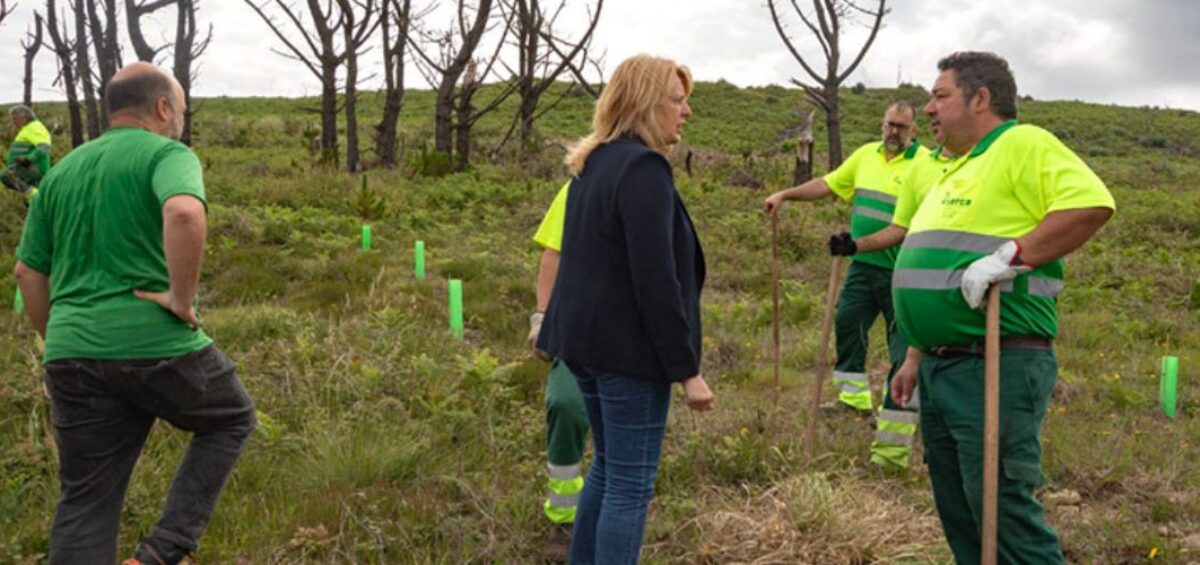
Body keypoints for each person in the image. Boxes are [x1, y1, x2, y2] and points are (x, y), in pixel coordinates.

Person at [14, 62, 256, 565]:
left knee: (85, 500)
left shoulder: (60, 174)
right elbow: (185, 213)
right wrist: (181, 300)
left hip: (71, 352)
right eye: (182, 109)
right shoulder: (168, 154)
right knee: (230, 417)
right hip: (158, 345)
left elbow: (27, 273)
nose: (182, 119)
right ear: (163, 107)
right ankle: (164, 553)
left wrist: (59, 339)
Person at [889, 51, 1114, 563]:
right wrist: (915, 354)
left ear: (981, 98)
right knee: (960, 510)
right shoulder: (957, 166)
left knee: (1001, 510)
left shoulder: (1021, 143)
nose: (928, 109)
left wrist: (1013, 255)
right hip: (942, 365)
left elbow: (1090, 202)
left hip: (995, 361)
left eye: (940, 96)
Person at [537, 54, 714, 564]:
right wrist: (688, 372)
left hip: (588, 349)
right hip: (627, 355)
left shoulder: (595, 163)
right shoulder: (642, 169)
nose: (686, 113)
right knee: (630, 487)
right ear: (644, 103)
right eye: (677, 101)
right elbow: (656, 282)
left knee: (609, 470)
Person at [763, 102, 930, 469]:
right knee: (846, 323)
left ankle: (893, 440)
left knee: (903, 349)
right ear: (881, 123)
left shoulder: (925, 164)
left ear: (915, 130)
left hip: (905, 272)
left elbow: (906, 227)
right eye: (889, 124)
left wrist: (856, 244)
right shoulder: (866, 156)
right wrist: (786, 195)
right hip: (862, 268)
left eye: (902, 127)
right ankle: (852, 400)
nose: (894, 132)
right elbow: (828, 183)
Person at [527, 180, 591, 560]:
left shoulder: (652, 181)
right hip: (577, 323)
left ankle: (611, 509)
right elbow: (554, 252)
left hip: (629, 330)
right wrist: (543, 316)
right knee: (565, 404)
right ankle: (565, 517)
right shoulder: (579, 186)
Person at [2, 104, 53, 195]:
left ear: (24, 117)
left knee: (6, 176)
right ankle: (36, 199)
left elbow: (44, 147)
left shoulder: (35, 127)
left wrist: (29, 159)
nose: (13, 122)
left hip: (33, 168)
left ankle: (35, 197)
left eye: (15, 118)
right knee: (33, 198)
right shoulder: (28, 128)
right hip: (28, 168)